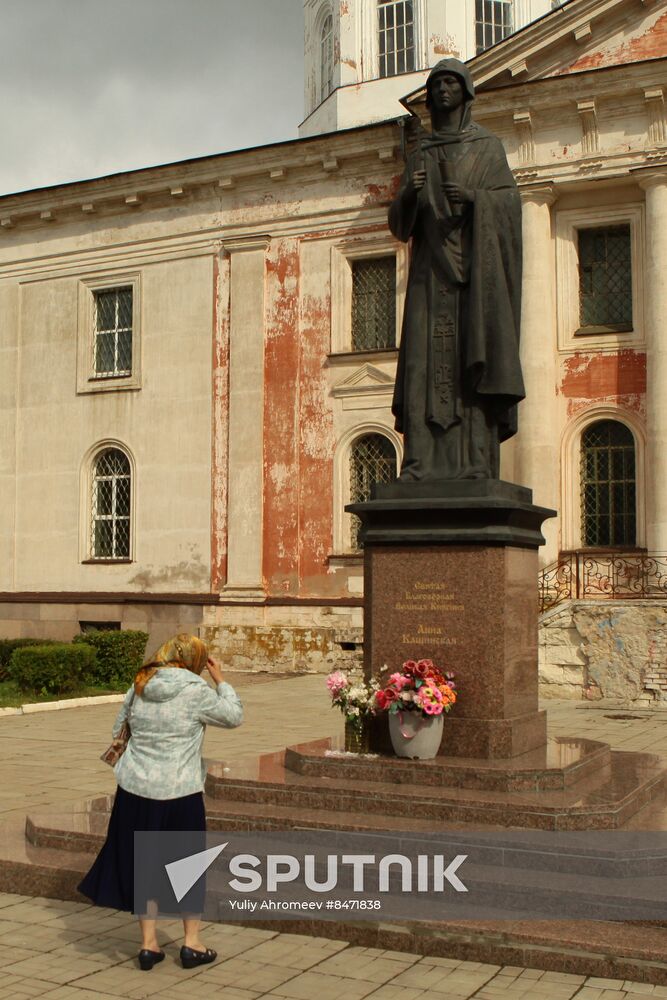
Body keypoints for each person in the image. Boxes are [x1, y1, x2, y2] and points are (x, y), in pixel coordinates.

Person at [389, 58, 524, 482]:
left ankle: (475, 464)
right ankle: (418, 465)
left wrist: (473, 198)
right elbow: (399, 223)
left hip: (473, 283)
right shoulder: (421, 154)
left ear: (466, 93)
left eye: (451, 82)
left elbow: (508, 206)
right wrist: (409, 197)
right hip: (429, 278)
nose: (442, 89)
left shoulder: (487, 148)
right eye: (436, 84)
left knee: (471, 359)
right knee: (422, 367)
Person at [78, 634, 243, 971]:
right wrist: (221, 681)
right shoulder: (196, 691)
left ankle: (148, 945)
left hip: (136, 791)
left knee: (144, 866)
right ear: (195, 661)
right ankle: (191, 944)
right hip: (179, 792)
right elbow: (233, 716)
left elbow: (117, 729)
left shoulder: (140, 684)